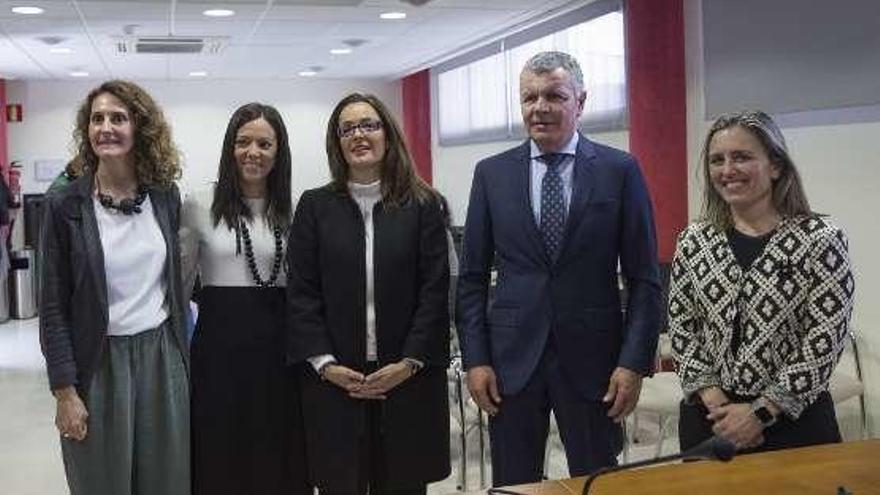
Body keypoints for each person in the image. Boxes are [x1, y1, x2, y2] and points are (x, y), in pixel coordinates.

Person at [457, 51, 662, 485]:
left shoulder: (619, 171)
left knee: (598, 483)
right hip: (512, 363)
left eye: (554, 95)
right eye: (529, 97)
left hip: (595, 364)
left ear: (581, 102)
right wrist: (476, 358)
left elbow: (645, 280)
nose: (539, 107)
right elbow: (472, 278)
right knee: (515, 484)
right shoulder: (491, 175)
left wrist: (633, 362)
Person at [287, 92, 450, 495]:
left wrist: (409, 363)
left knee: (403, 485)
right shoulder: (315, 207)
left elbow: (435, 292)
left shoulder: (423, 204)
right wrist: (325, 364)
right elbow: (302, 293)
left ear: (388, 135)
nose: (358, 135)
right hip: (336, 383)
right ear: (336, 142)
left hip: (407, 381)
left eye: (369, 125)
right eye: (347, 129)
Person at [669, 110, 854, 453]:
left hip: (794, 422)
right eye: (717, 160)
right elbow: (682, 326)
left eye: (742, 157)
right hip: (711, 418)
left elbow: (825, 339)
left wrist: (761, 412)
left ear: (776, 166)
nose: (727, 170)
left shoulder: (820, 239)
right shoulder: (694, 240)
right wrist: (714, 399)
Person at [39, 80, 190, 494]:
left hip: (162, 358)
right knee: (101, 482)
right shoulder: (65, 205)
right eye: (97, 118)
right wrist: (65, 391)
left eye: (118, 118)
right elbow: (52, 306)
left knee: (167, 481)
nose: (105, 127)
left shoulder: (164, 196)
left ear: (140, 128)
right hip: (98, 363)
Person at [180, 103, 309, 495]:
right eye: (243, 142)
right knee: (221, 457)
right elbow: (180, 287)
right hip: (219, 355)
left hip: (281, 355)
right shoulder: (198, 204)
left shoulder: (297, 209)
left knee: (279, 455)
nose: (253, 152)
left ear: (279, 151)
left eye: (264, 143)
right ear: (229, 148)